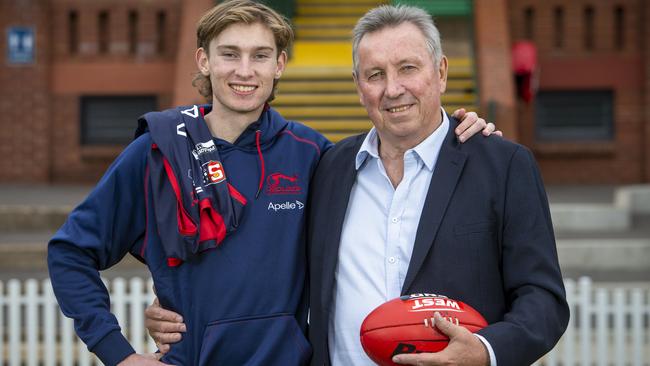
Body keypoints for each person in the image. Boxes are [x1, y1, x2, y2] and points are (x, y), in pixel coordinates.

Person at [47, 1, 494, 365]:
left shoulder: (315, 154)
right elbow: (70, 252)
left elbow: (397, 154)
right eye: (229, 54)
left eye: (260, 55)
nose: (245, 71)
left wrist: (456, 131)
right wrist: (117, 352)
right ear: (204, 60)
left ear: (280, 64)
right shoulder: (157, 151)